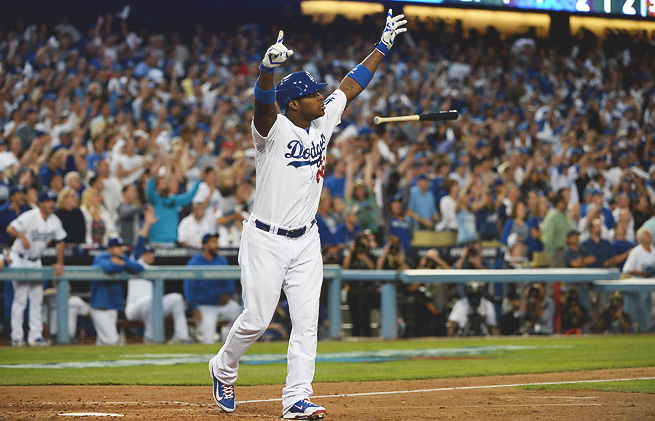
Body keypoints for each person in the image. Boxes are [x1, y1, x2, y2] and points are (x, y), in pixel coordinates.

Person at [210, 13, 407, 419]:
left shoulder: (322, 120)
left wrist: (383, 45)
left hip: (306, 240)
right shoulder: (273, 130)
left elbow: (351, 85)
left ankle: (296, 398)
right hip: (265, 238)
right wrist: (266, 70)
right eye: (314, 95)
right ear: (295, 103)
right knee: (257, 320)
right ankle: (223, 366)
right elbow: (263, 104)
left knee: (306, 321)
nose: (323, 97)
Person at [7, 190, 66, 347]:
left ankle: (36, 336)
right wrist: (22, 237)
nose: (51, 204)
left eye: (52, 201)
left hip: (35, 261)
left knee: (37, 298)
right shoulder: (31, 216)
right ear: (40, 204)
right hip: (19, 258)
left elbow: (60, 241)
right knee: (20, 298)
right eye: (48, 201)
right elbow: (10, 228)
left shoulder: (54, 220)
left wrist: (60, 263)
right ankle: (17, 336)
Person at [125, 207, 192, 344]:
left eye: (151, 253)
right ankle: (151, 338)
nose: (150, 256)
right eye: (147, 253)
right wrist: (147, 224)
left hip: (152, 304)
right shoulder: (136, 261)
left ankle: (182, 336)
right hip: (134, 307)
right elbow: (140, 241)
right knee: (152, 301)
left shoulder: (156, 268)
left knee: (177, 299)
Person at [184, 233, 242, 344]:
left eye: (217, 242)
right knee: (208, 340)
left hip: (221, 304)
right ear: (205, 245)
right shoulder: (195, 262)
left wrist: (228, 295)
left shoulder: (222, 261)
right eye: (213, 242)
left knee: (242, 316)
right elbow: (188, 288)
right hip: (204, 306)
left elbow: (229, 281)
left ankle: (227, 332)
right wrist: (194, 308)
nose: (216, 245)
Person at [90, 237, 144, 346]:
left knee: (103, 342)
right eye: (117, 247)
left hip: (113, 306)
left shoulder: (123, 258)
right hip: (99, 306)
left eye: (121, 247)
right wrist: (121, 264)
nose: (121, 249)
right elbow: (110, 268)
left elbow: (139, 267)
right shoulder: (100, 257)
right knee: (111, 340)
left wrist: (122, 263)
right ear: (110, 249)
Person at [542, 192, 574, 267]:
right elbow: (547, 238)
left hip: (566, 251)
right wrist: (551, 254)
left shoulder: (564, 215)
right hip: (556, 252)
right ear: (557, 203)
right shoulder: (552, 216)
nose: (566, 204)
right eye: (563, 202)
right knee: (558, 277)